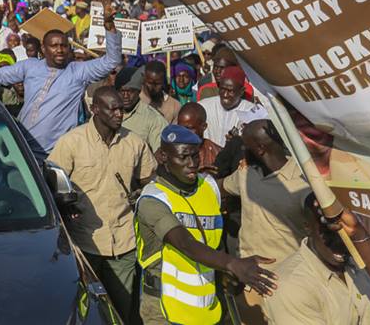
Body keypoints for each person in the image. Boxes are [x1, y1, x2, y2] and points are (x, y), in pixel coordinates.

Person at [134, 125, 278, 324]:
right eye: (183, 157)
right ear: (164, 156)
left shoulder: (208, 186)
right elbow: (185, 243)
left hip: (207, 304)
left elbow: (236, 184)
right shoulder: (153, 200)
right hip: (165, 310)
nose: (192, 163)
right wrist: (232, 264)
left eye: (195, 155)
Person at [48, 86, 156, 324]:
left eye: (122, 109)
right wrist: (66, 204)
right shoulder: (71, 142)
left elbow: (151, 179)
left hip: (124, 243)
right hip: (84, 243)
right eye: (113, 109)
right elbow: (51, 181)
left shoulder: (135, 143)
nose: (120, 113)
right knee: (85, 311)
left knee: (121, 310)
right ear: (95, 109)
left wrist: (142, 193)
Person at [0, 13, 122, 159]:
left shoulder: (78, 71)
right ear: (44, 48)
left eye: (63, 46)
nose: (60, 50)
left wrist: (109, 26)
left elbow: (112, 60)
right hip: (24, 147)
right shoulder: (30, 66)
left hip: (56, 154)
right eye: (54, 46)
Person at [221, 119, 309, 323]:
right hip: (250, 283)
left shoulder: (304, 182)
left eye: (245, 146)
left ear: (260, 149)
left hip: (288, 287)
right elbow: (221, 188)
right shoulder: (246, 172)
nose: (241, 151)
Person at [262, 193, 370, 324]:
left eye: (344, 232)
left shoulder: (361, 261)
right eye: (328, 232)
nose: (339, 241)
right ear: (307, 227)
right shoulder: (289, 286)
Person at [200, 66, 267, 148]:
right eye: (222, 89)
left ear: (241, 91)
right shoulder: (203, 106)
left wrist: (239, 141)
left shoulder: (252, 112)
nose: (225, 95)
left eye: (230, 91)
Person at [115, 67, 168, 154]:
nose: (125, 96)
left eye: (130, 91)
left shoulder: (154, 119)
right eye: (122, 91)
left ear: (138, 91)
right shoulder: (107, 114)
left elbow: (161, 153)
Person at [175, 102, 221, 173]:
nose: (183, 132)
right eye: (180, 127)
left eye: (189, 128)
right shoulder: (170, 151)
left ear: (204, 126)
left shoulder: (216, 153)